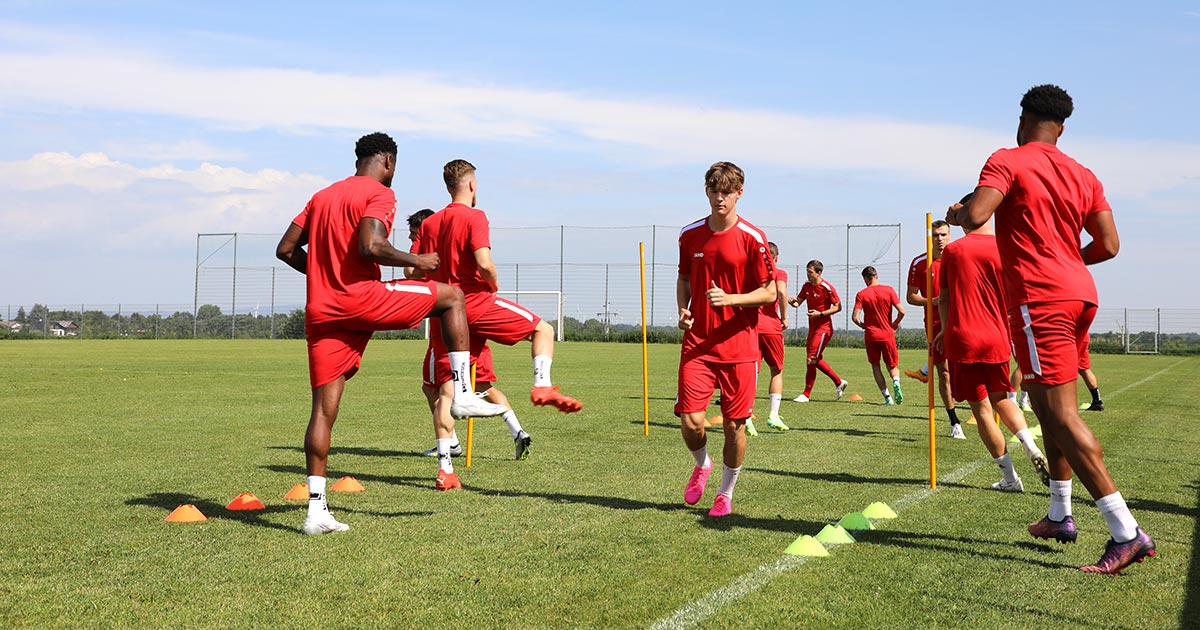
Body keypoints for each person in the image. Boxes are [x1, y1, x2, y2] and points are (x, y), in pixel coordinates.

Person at [949, 84, 1154, 574]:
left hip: (1042, 300)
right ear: (1061, 127)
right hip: (1079, 293)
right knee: (1042, 402)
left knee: (1060, 416)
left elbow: (978, 213)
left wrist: (958, 214)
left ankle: (1127, 533)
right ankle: (1060, 514)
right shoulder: (1084, 173)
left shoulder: (1008, 158)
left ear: (1021, 120)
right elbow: (1108, 244)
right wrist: (1066, 261)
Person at [274, 132, 506, 534]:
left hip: (322, 311)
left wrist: (321, 277)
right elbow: (371, 245)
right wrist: (417, 258)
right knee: (451, 297)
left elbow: (286, 249)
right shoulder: (379, 193)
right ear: (388, 162)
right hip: (361, 298)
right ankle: (464, 394)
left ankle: (315, 511)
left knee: (323, 410)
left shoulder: (321, 196)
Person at [412, 159, 582, 487]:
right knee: (542, 329)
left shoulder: (430, 224)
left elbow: (412, 271)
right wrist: (492, 282)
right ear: (472, 185)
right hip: (475, 303)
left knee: (446, 392)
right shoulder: (475, 216)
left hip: (445, 313)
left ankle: (445, 469)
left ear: (447, 186)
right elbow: (484, 262)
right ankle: (542, 385)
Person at [677, 161, 775, 517]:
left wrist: (732, 299)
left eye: (727, 192)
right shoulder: (690, 235)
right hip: (698, 344)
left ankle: (725, 492)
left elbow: (769, 294)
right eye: (714, 191)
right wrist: (684, 309)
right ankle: (702, 465)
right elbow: (685, 278)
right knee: (690, 421)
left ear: (739, 194)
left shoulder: (753, 237)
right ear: (706, 192)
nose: (720, 198)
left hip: (740, 346)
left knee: (734, 428)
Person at [934, 203, 1050, 491]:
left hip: (964, 337)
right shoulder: (1005, 248)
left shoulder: (953, 251)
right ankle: (1029, 443)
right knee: (1002, 399)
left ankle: (1010, 478)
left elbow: (944, 299)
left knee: (982, 409)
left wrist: (945, 331)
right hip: (997, 336)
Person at [404, 209, 532, 461]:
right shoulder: (459, 247)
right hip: (474, 324)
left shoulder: (429, 247)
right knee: (483, 385)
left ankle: (448, 447)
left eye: (412, 235)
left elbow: (410, 272)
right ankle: (518, 431)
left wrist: (416, 257)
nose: (411, 241)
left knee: (435, 389)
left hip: (447, 332)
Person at [905, 221, 964, 437]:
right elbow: (910, 297)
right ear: (930, 238)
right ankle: (954, 422)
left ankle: (925, 371)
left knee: (964, 368)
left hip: (961, 320)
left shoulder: (959, 257)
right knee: (945, 372)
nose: (939, 239)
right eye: (936, 235)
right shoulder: (920, 263)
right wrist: (934, 301)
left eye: (943, 235)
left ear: (950, 236)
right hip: (934, 323)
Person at [787, 260, 849, 403]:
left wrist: (820, 314)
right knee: (814, 359)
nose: (808, 275)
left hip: (824, 329)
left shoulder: (826, 287)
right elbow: (798, 302)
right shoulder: (806, 286)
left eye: (810, 272)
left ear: (819, 273)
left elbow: (838, 307)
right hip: (812, 328)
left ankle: (806, 394)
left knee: (811, 359)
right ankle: (839, 382)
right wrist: (793, 303)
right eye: (807, 272)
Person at [746, 242, 791, 436]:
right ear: (777, 257)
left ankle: (746, 416)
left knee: (750, 373)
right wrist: (784, 316)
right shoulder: (779, 273)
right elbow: (781, 291)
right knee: (776, 370)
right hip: (771, 327)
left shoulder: (750, 273)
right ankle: (773, 415)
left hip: (752, 327)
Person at [852, 266, 904, 404]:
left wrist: (864, 325)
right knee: (892, 366)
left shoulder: (862, 294)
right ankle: (896, 382)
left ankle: (887, 398)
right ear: (876, 276)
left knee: (876, 365)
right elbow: (902, 311)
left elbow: (855, 317)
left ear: (865, 279)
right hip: (887, 334)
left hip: (871, 335)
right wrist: (894, 324)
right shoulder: (889, 290)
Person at [1078, 341, 1104, 411]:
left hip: (1071, 337)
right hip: (1083, 337)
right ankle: (1097, 401)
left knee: (1063, 367)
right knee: (1084, 369)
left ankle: (1062, 403)